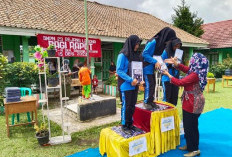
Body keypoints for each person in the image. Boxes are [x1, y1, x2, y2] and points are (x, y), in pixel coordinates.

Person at [163, 53, 209, 157]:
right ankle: (189, 145)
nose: (190, 61)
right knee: (188, 125)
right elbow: (186, 69)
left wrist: (168, 75)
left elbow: (180, 82)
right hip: (190, 101)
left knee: (191, 126)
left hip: (193, 103)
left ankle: (194, 149)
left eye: (192, 60)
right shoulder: (197, 70)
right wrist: (177, 64)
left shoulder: (195, 75)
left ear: (195, 62)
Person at [142, 27, 177, 109]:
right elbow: (144, 54)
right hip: (146, 67)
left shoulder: (162, 44)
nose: (169, 42)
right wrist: (155, 62)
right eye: (170, 39)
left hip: (151, 68)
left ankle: (151, 101)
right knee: (149, 84)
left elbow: (159, 58)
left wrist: (169, 61)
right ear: (166, 36)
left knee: (153, 84)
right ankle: (146, 102)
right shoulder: (153, 41)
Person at [117, 35, 142, 135]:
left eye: (138, 44)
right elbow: (119, 70)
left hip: (134, 85)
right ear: (131, 43)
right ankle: (124, 125)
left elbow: (138, 70)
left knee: (132, 105)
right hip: (125, 85)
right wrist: (130, 79)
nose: (137, 46)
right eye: (136, 44)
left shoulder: (136, 55)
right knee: (126, 106)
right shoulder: (122, 55)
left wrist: (140, 80)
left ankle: (130, 123)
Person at [161, 38, 182, 106]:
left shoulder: (178, 53)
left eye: (178, 46)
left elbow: (179, 65)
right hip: (167, 78)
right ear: (171, 45)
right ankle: (165, 114)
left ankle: (172, 114)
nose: (177, 48)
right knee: (167, 98)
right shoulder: (165, 52)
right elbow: (161, 63)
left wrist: (177, 63)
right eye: (175, 46)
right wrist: (170, 61)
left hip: (176, 77)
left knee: (174, 97)